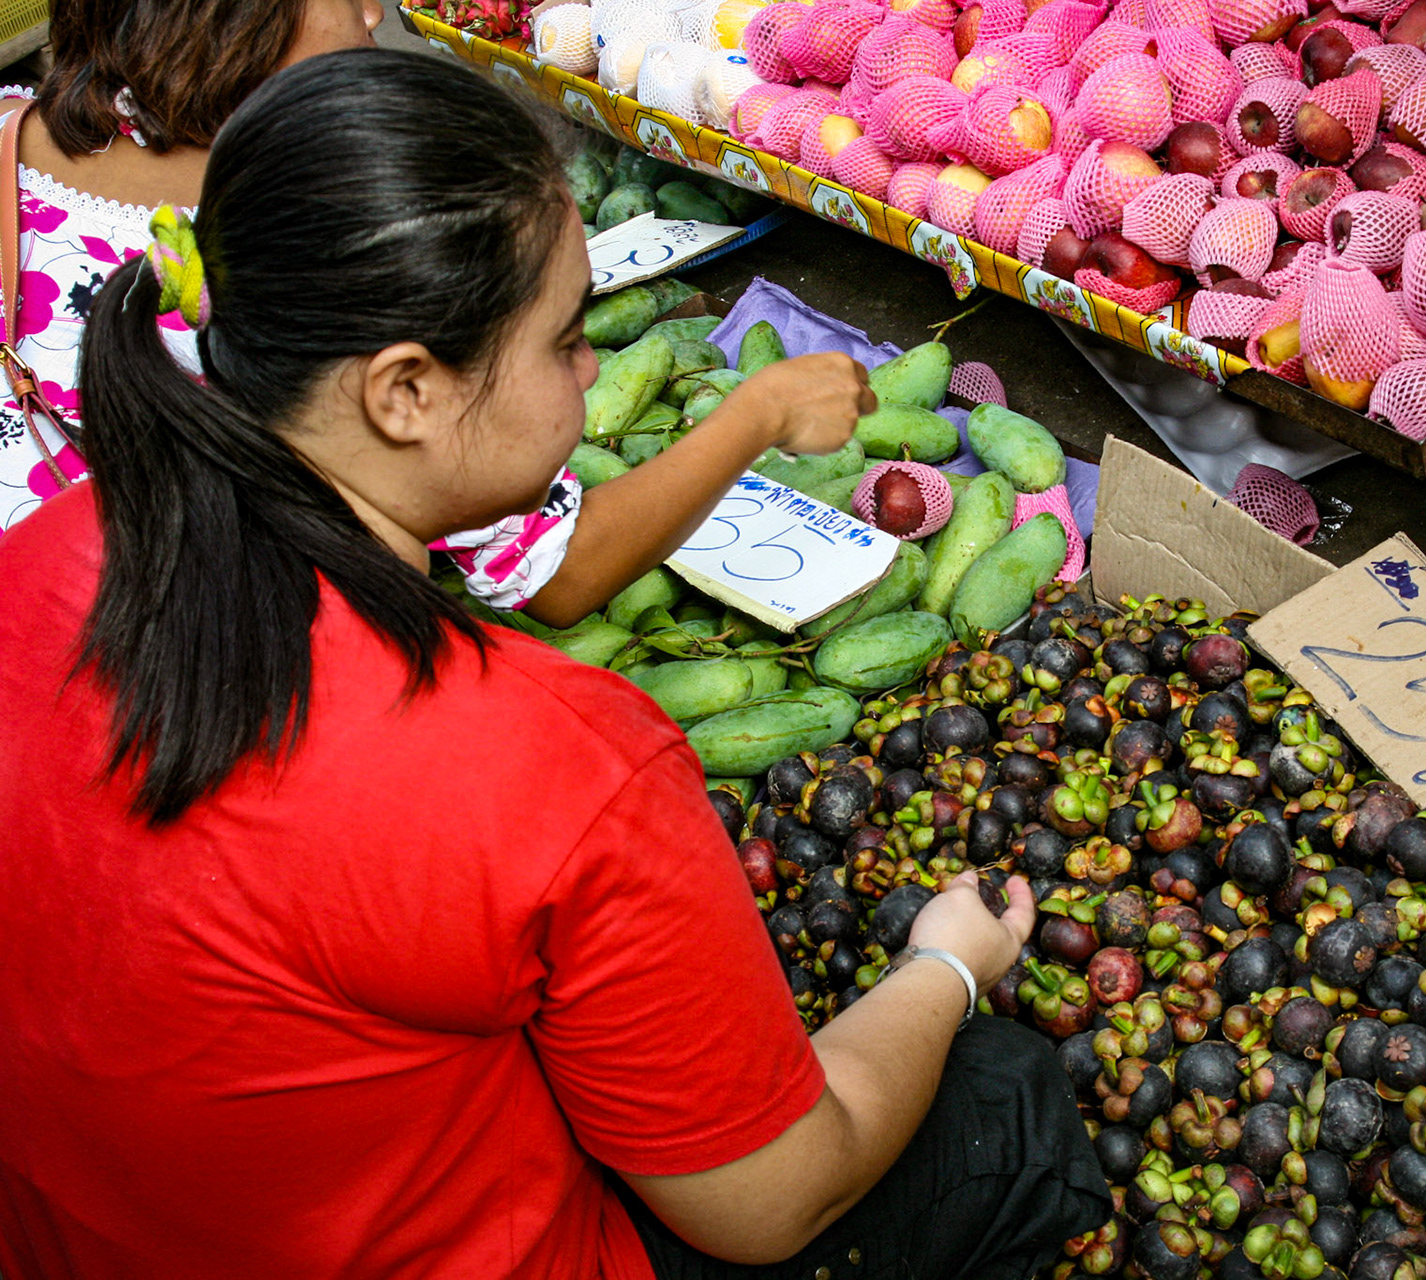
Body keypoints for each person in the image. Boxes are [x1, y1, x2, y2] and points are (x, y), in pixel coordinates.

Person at [0, 48, 1106, 1279]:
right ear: (405, 391)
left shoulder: (44, 548)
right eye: (566, 338)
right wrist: (947, 964)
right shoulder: (558, 763)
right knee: (1003, 1095)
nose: (590, 371)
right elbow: (767, 1199)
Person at [0, 0, 851, 628]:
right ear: (231, 25)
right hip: (204, 674)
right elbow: (553, 574)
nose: (374, 13)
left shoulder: (11, 130)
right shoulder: (325, 247)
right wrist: (758, 412)